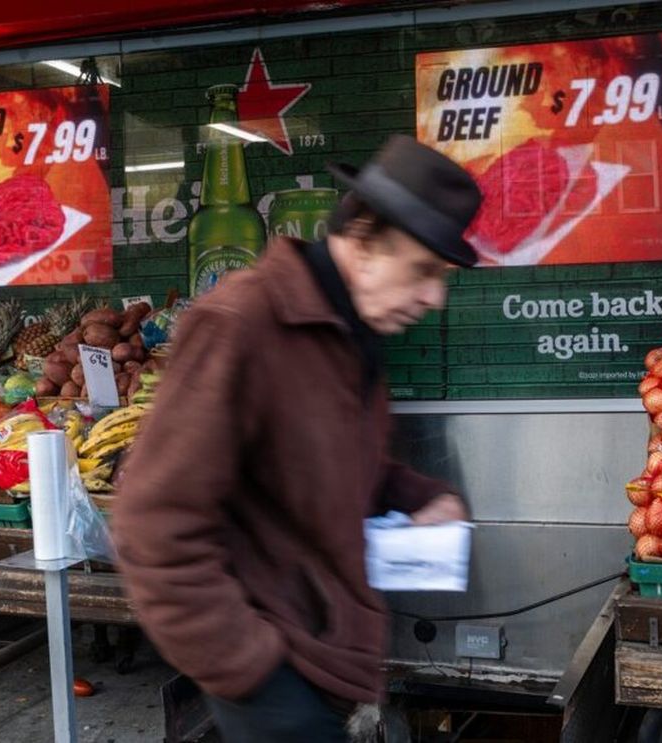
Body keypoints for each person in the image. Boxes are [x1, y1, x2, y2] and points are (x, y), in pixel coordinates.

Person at [111, 134, 482, 742]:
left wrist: (415, 494)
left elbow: (323, 460)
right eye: (422, 271)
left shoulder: (348, 328)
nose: (433, 297)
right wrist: (253, 672)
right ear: (361, 237)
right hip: (276, 681)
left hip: (328, 661)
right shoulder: (241, 324)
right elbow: (152, 524)